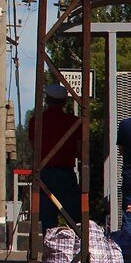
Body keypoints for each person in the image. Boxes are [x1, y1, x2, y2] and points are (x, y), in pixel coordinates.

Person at [30, 83, 81, 233]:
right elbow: (79, 151)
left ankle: (49, 250)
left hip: (44, 174)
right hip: (66, 174)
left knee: (47, 219)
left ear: (46, 99)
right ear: (65, 102)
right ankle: (76, 250)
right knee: (73, 218)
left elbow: (34, 148)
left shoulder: (36, 121)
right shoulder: (74, 122)